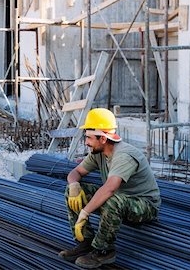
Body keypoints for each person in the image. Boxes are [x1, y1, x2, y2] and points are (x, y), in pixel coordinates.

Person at [58, 108, 161, 269]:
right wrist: (73, 185)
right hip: (120, 199)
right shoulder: (98, 152)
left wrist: (85, 213)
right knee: (75, 192)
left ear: (104, 139)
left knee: (112, 200)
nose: (86, 142)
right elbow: (76, 172)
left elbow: (110, 188)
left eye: (89, 138)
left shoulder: (124, 155)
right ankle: (85, 242)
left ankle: (104, 251)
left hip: (144, 206)